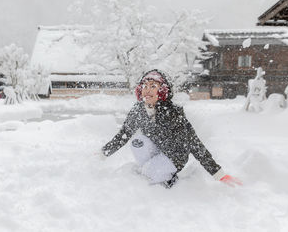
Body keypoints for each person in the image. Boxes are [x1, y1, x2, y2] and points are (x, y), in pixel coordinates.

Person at [101, 69, 242, 188]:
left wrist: (219, 174)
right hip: (155, 149)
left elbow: (194, 143)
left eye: (152, 86)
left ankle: (168, 180)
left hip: (174, 155)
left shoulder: (173, 113)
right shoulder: (138, 110)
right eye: (144, 86)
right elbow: (124, 134)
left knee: (149, 172)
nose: (147, 90)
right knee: (138, 142)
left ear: (162, 91)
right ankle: (150, 171)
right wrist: (103, 153)